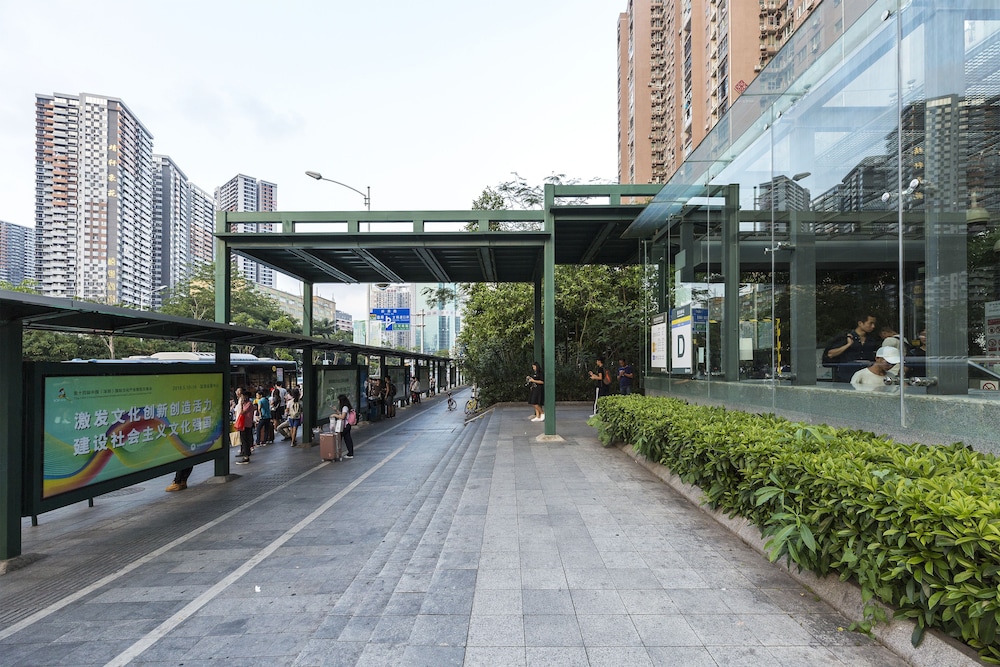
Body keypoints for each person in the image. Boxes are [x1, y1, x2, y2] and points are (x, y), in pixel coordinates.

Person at [823, 314, 880, 383]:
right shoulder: (845, 337)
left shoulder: (872, 340)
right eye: (870, 323)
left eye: (874, 324)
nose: (873, 326)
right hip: (846, 375)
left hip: (866, 376)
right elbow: (830, 354)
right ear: (860, 323)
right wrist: (848, 345)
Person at [235, 386, 255, 464]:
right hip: (245, 424)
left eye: (243, 396)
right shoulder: (247, 404)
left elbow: (242, 412)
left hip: (245, 424)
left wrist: (241, 404)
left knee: (245, 440)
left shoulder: (248, 404)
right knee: (244, 439)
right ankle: (246, 454)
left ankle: (246, 456)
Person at [332, 394, 355, 458]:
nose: (338, 402)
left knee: (339, 438)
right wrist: (336, 410)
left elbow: (342, 417)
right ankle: (350, 453)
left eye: (338, 400)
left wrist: (334, 415)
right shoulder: (346, 407)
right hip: (347, 425)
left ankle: (337, 453)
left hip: (345, 425)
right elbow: (342, 414)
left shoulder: (345, 407)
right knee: (347, 439)